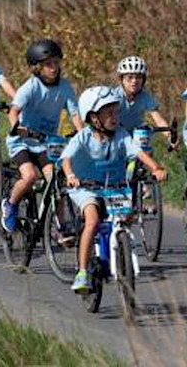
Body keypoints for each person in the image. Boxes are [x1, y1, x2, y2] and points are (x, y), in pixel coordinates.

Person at [63, 86, 166, 293]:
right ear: (93, 118)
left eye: (116, 112)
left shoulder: (121, 135)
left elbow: (138, 153)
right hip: (86, 187)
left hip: (113, 186)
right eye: (108, 113)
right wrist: (71, 176)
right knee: (92, 220)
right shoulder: (83, 137)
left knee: (126, 218)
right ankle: (82, 273)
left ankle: (119, 251)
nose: (115, 117)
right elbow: (66, 159)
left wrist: (156, 168)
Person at [1, 40, 84, 234]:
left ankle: (59, 225)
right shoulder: (30, 86)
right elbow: (13, 111)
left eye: (56, 63)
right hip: (22, 142)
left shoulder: (65, 87)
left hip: (46, 144)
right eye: (48, 64)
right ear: (37, 68)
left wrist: (83, 135)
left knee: (55, 180)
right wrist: (17, 128)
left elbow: (74, 115)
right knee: (29, 176)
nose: (53, 68)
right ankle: (10, 205)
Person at [114, 56, 173, 142]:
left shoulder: (145, 96)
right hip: (116, 135)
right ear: (121, 79)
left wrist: (170, 136)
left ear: (143, 80)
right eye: (129, 77)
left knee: (145, 144)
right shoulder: (114, 96)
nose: (134, 81)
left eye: (138, 77)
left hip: (136, 136)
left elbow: (159, 120)